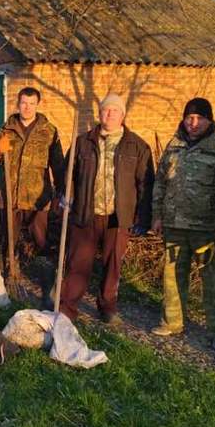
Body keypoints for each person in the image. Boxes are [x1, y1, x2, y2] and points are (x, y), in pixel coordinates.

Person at [58, 93, 153, 325]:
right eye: (105, 110)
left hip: (118, 217)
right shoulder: (83, 142)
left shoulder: (138, 146)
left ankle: (108, 307)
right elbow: (67, 175)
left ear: (123, 115)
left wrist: (143, 216)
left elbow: (146, 184)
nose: (108, 115)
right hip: (86, 214)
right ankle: (67, 309)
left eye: (114, 111)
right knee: (77, 263)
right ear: (99, 114)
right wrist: (65, 199)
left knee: (113, 265)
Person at [150, 98, 215, 350]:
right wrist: (157, 215)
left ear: (209, 120)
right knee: (172, 276)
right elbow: (161, 182)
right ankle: (172, 322)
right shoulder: (174, 145)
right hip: (175, 225)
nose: (193, 123)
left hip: (207, 229)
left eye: (198, 119)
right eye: (189, 118)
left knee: (212, 280)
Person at [0, 87, 64, 257]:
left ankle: (43, 271)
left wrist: (61, 192)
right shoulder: (6, 131)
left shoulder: (49, 132)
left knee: (41, 240)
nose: (27, 107)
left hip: (38, 197)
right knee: (8, 241)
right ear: (18, 104)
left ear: (38, 104)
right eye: (24, 103)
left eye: (31, 103)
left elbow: (58, 165)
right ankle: (10, 271)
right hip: (10, 196)